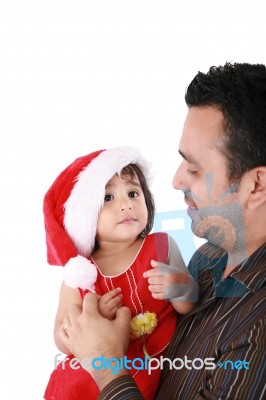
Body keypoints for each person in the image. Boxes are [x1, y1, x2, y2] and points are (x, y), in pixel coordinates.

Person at [59, 62, 266, 399]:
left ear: (255, 184)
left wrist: (105, 365)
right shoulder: (208, 257)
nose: (176, 180)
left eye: (195, 169)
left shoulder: (257, 330)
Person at [43, 146, 198, 399]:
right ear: (84, 215)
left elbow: (187, 305)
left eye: (133, 193)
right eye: (108, 198)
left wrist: (181, 286)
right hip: (87, 375)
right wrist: (92, 319)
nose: (126, 205)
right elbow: (62, 335)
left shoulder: (161, 246)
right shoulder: (80, 271)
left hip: (148, 367)